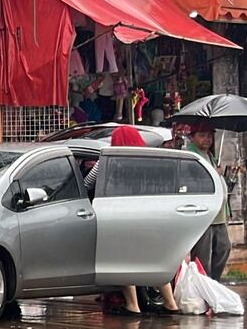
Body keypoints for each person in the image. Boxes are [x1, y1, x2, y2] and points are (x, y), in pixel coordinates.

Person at [84, 126, 180, 316]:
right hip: (148, 217)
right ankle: (171, 304)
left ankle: (132, 305)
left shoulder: (107, 161)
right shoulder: (150, 161)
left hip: (121, 217)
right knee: (153, 261)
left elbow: (87, 183)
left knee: (123, 261)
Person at [187, 124, 231, 281]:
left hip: (218, 213)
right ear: (193, 136)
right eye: (202, 135)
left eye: (209, 136)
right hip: (204, 212)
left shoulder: (209, 155)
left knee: (223, 248)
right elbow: (192, 179)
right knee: (202, 256)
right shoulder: (190, 155)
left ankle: (213, 282)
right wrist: (214, 173)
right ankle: (203, 286)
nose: (207, 139)